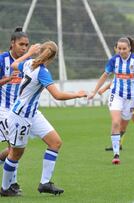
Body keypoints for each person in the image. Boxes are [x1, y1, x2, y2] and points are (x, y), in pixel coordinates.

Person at [0, 41, 87, 197]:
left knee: (55, 142)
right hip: (21, 116)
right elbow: (58, 95)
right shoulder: (42, 72)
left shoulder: (29, 63)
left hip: (32, 113)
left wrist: (29, 53)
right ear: (53, 57)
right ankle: (5, 188)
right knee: (15, 153)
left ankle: (45, 183)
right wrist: (77, 94)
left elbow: (14, 65)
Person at [88, 37, 134, 164]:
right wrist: (94, 91)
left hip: (131, 98)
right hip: (116, 95)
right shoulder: (113, 60)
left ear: (129, 48)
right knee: (115, 122)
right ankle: (116, 155)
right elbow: (105, 75)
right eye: (119, 48)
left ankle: (117, 143)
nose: (121, 51)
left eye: (124, 48)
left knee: (122, 127)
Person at [0, 27, 29, 194]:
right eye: (21, 44)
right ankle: (11, 184)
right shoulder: (2, 59)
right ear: (12, 43)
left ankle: (10, 182)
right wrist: (7, 79)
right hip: (3, 109)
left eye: (26, 45)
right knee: (15, 149)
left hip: (19, 112)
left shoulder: (26, 62)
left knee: (14, 149)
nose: (24, 48)